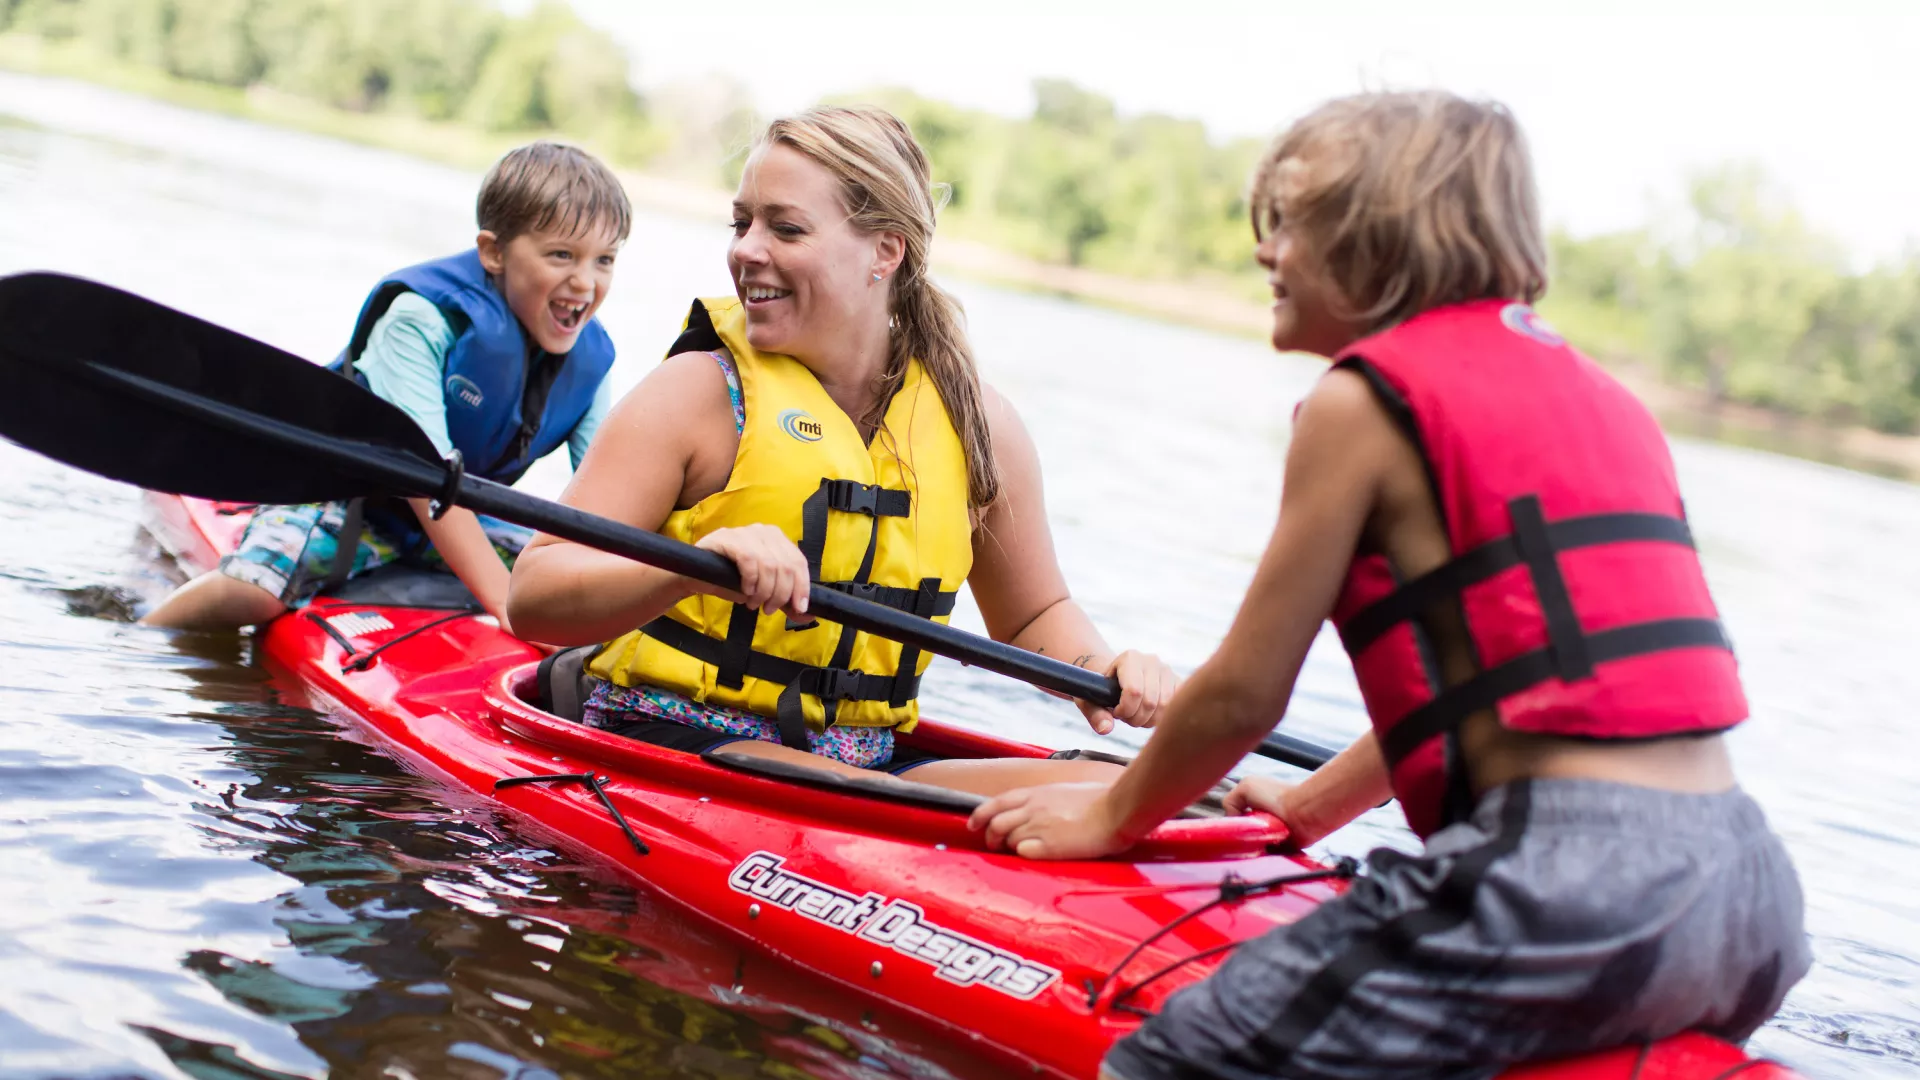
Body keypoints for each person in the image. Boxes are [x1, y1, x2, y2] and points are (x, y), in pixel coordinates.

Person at [970, 91, 1809, 1078]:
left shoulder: (1360, 402)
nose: (1263, 252)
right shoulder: (1607, 401)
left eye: (1289, 224)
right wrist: (1314, 809)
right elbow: (1514, 685)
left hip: (1566, 884)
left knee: (1171, 1063)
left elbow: (1245, 692)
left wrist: (1113, 817)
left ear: (1378, 235)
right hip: (1750, 894)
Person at [507, 106, 1175, 795]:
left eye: (786, 228)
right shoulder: (697, 395)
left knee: (1132, 794)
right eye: (742, 223)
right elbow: (533, 597)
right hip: (674, 743)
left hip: (863, 765)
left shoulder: (980, 425)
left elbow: (1033, 615)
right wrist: (692, 572)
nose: (745, 250)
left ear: (886, 251)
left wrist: (1104, 670)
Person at [143, 142, 631, 634]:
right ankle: (139, 635)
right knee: (253, 592)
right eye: (562, 255)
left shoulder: (589, 359)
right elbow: (427, 481)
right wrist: (512, 609)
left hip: (456, 520)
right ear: (494, 252)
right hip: (340, 495)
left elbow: (605, 511)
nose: (585, 283)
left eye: (604, 260)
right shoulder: (419, 321)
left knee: (556, 573)